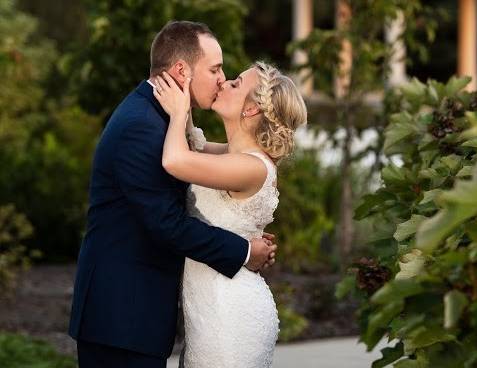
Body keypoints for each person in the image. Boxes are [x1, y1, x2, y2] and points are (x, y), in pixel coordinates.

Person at [68, 21, 277, 368]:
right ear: (182, 70)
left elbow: (236, 162)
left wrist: (247, 232)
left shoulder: (159, 118)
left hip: (138, 316)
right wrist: (243, 250)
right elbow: (167, 223)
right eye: (214, 69)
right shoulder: (142, 126)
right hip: (121, 317)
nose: (222, 78)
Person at [152, 56, 307, 367]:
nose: (224, 82)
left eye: (236, 83)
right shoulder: (235, 155)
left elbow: (175, 161)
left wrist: (180, 111)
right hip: (212, 309)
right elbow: (193, 147)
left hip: (229, 317)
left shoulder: (249, 166)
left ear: (252, 110)